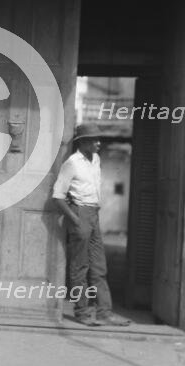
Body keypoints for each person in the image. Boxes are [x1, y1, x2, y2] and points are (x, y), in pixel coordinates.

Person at [52, 123, 130, 327]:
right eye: (94, 140)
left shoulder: (96, 159)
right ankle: (82, 313)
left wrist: (93, 215)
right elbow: (58, 196)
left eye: (98, 139)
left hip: (94, 214)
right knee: (80, 267)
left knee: (99, 267)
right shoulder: (72, 163)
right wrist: (75, 219)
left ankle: (105, 313)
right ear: (83, 142)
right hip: (79, 212)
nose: (98, 143)